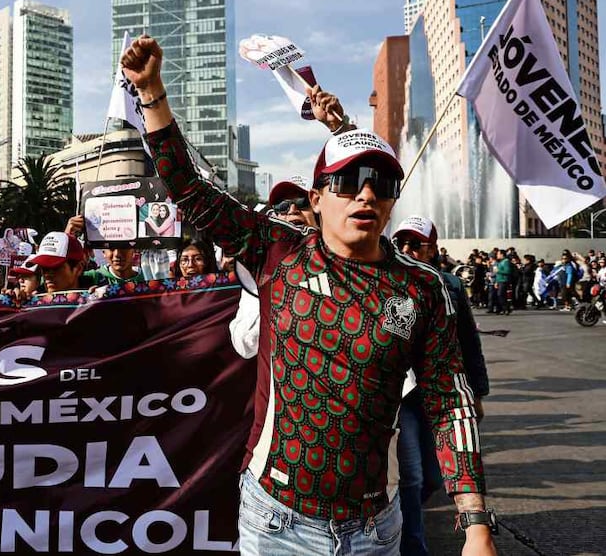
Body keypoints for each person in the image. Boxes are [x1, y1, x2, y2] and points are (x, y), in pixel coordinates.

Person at [121, 35, 493, 554]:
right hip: (277, 523)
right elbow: (188, 188)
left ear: (392, 201)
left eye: (382, 184)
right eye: (348, 183)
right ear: (317, 199)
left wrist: (475, 523)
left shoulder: (423, 287)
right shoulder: (276, 251)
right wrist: (152, 94)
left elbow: (450, 399)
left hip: (374, 529)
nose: (366, 194)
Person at [392, 216, 491, 556]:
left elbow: (469, 343)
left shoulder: (450, 285)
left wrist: (477, 392)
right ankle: (412, 546)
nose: (407, 250)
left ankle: (396, 518)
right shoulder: (386, 280)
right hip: (402, 394)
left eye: (415, 244)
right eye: (400, 243)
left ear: (432, 249)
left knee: (435, 478)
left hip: (440, 393)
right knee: (412, 476)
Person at [231, 177, 320, 360]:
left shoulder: (343, 260)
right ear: (274, 218)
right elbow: (244, 345)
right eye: (282, 206)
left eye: (302, 203)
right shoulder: (259, 272)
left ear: (319, 210)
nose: (292, 210)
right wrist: (274, 297)